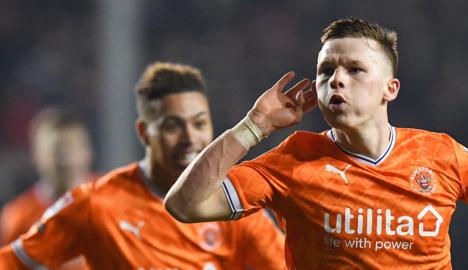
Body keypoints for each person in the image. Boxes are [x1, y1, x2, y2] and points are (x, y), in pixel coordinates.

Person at [165, 18, 468, 269]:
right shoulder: (292, 162)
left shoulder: (440, 155)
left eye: (354, 69)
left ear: (390, 89)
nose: (336, 79)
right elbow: (185, 204)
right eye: (326, 71)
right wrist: (254, 127)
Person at [0, 62, 285, 270]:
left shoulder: (234, 210)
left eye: (199, 124)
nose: (190, 138)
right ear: (144, 132)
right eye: (173, 125)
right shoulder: (95, 205)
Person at [0, 106, 94, 269]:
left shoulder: (116, 202)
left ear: (88, 152)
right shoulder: (17, 218)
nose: (65, 160)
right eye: (55, 151)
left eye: (72, 148)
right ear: (36, 156)